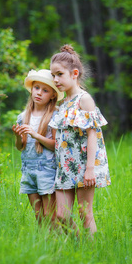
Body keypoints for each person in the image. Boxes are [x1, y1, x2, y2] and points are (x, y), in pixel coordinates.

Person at [49, 44, 111, 236]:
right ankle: (79, 243)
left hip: (85, 166)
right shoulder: (62, 103)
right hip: (65, 166)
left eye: (59, 74)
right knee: (61, 215)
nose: (55, 80)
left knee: (85, 212)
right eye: (53, 75)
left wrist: (90, 169)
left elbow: (93, 135)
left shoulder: (84, 100)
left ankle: (91, 253)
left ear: (74, 73)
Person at [12, 69, 64, 226]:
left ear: (53, 95)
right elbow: (20, 147)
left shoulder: (55, 115)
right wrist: (17, 137)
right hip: (28, 170)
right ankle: (45, 246)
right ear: (31, 89)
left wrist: (36, 135)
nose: (39, 93)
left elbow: (56, 146)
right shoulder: (23, 117)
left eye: (45, 90)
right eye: (36, 88)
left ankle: (57, 246)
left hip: (47, 170)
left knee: (50, 215)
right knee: (39, 216)